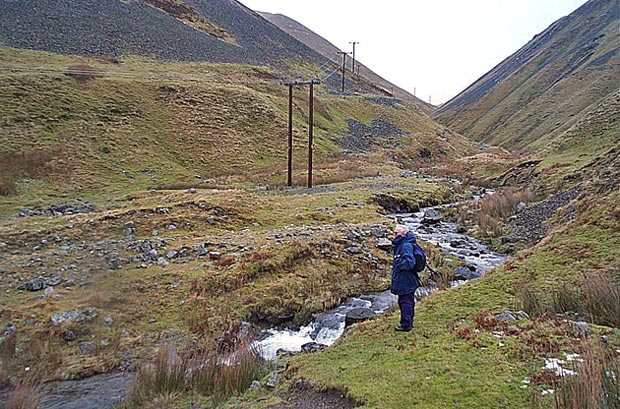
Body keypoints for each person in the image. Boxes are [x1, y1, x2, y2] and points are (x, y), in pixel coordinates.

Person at [390, 224, 420, 332]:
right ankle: (407, 322)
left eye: (396, 233)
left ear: (403, 234)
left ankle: (406, 325)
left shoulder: (405, 246)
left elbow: (409, 263)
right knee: (405, 301)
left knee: (405, 301)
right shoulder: (403, 244)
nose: (394, 235)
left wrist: (398, 262)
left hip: (406, 280)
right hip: (406, 279)